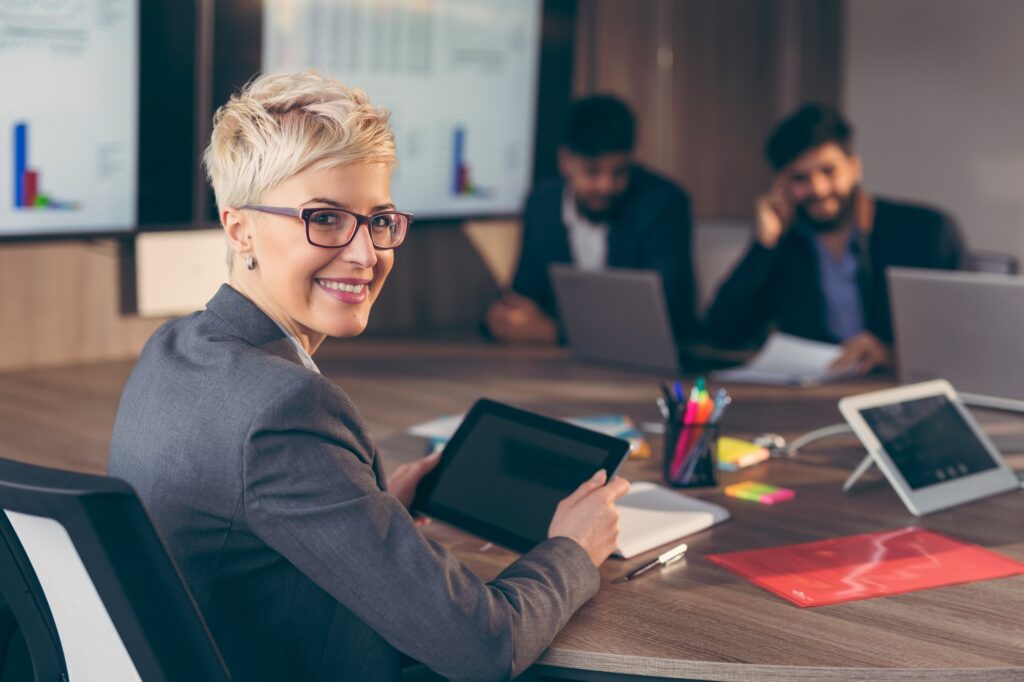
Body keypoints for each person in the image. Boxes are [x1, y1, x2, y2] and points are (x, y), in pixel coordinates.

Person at [108, 72, 629, 682]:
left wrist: (366, 506)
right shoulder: (286, 410)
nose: (365, 253)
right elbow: (483, 648)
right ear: (239, 228)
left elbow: (248, 517)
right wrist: (571, 550)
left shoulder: (174, 346)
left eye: (378, 220)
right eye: (325, 218)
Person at [703, 104, 965, 373]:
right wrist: (764, 244)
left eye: (828, 171)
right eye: (800, 178)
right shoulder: (783, 243)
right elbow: (723, 331)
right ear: (782, 184)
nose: (818, 189)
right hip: (813, 395)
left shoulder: (925, 232)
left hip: (895, 387)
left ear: (854, 168)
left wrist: (892, 353)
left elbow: (960, 340)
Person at [486, 95, 697, 344]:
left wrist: (556, 333)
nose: (606, 186)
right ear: (565, 161)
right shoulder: (542, 205)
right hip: (560, 366)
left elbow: (668, 314)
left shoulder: (663, 204)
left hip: (644, 366)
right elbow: (527, 293)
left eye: (619, 171)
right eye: (592, 172)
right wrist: (505, 317)